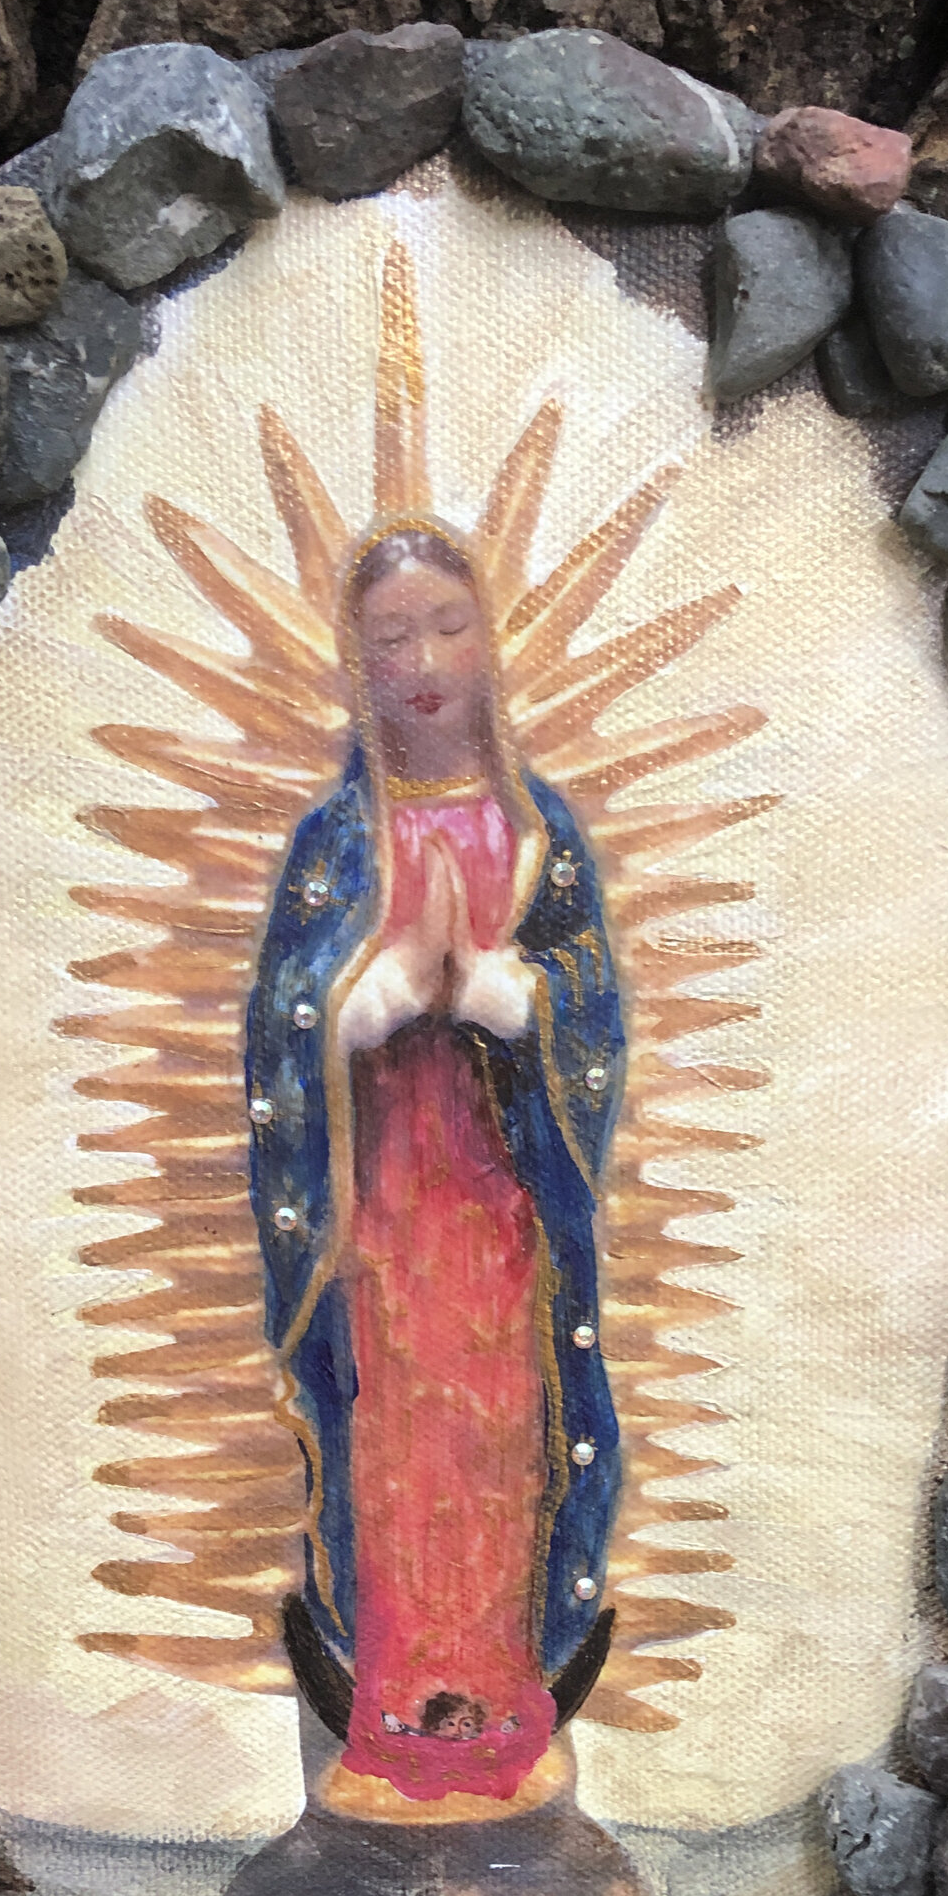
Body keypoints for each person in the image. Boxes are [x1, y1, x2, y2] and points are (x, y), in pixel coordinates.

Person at [245, 517, 626, 1803]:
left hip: (502, 1206)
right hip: (376, 1217)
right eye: (391, 637)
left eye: (448, 626)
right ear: (356, 661)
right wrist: (367, 1002)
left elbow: (591, 1001)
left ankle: (503, 1703)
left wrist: (514, 1001)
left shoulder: (535, 829)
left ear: (488, 644)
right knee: (394, 1438)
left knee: (502, 1430)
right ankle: (393, 1708)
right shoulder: (334, 845)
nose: (421, 661)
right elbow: (279, 1021)